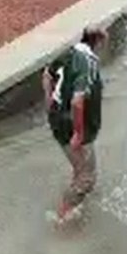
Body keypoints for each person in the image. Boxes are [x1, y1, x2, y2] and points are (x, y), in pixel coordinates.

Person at [44, 28, 106, 223]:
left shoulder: (70, 52)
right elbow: (77, 102)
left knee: (80, 168)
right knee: (87, 178)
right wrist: (78, 134)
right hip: (74, 126)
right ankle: (62, 219)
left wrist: (50, 102)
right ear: (99, 42)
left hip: (58, 120)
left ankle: (73, 200)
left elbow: (47, 74)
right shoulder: (88, 64)